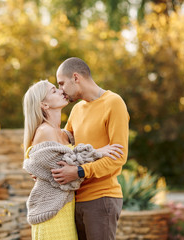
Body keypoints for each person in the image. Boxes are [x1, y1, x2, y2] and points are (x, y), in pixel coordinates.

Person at [22, 80, 124, 240]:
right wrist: (98, 152)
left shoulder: (64, 134)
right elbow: (68, 166)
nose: (61, 91)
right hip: (52, 212)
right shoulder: (44, 131)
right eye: (54, 90)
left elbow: (73, 154)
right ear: (45, 105)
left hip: (67, 208)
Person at [51, 57, 130, 240]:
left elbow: (118, 157)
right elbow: (62, 145)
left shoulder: (113, 103)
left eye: (62, 83)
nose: (61, 90)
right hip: (75, 200)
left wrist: (79, 171)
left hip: (101, 200)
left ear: (76, 77)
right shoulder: (77, 110)